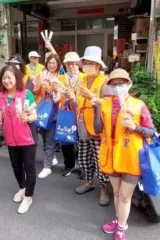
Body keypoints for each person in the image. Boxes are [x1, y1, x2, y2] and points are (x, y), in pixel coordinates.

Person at [92, 69, 155, 240]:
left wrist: (135, 127)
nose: (118, 87)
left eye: (122, 83)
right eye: (114, 84)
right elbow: (97, 129)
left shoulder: (138, 105)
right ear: (110, 87)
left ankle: (121, 227)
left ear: (129, 84)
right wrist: (96, 108)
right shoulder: (105, 104)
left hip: (131, 158)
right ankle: (119, 219)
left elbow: (151, 132)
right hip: (111, 156)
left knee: (126, 196)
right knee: (117, 193)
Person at [0, 65, 38, 214]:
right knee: (16, 166)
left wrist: (27, 117)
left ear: (17, 78)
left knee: (29, 168)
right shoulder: (0, 96)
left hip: (27, 138)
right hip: (10, 139)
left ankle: (28, 197)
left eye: (10, 77)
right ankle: (23, 188)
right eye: (4, 78)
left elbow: (34, 115)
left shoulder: (26, 94)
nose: (6, 80)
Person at [75, 46, 110, 206]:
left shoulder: (105, 82)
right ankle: (89, 182)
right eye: (86, 62)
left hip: (97, 127)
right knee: (83, 157)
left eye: (91, 63)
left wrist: (92, 97)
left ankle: (104, 188)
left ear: (98, 66)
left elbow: (109, 104)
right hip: (82, 126)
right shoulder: (81, 79)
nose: (88, 65)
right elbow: (77, 101)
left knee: (99, 159)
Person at [57, 52, 87, 177]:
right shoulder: (60, 78)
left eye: (74, 63)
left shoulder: (85, 77)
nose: (71, 66)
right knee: (66, 139)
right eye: (68, 63)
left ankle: (84, 168)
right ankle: (68, 165)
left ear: (78, 64)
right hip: (66, 112)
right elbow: (56, 97)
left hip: (81, 113)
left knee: (82, 141)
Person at [34, 54, 62, 179]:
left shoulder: (60, 78)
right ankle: (52, 157)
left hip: (53, 113)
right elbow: (33, 91)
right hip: (40, 111)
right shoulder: (40, 75)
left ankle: (47, 167)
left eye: (54, 63)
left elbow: (58, 99)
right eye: (49, 62)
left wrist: (52, 90)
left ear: (58, 65)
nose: (51, 65)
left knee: (50, 140)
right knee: (44, 138)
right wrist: (39, 88)